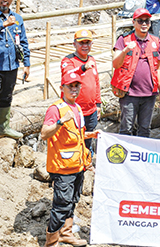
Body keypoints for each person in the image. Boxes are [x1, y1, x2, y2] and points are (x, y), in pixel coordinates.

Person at [41, 72, 100, 247]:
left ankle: (66, 234)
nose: (74, 90)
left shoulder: (78, 108)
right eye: (70, 86)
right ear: (62, 88)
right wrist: (60, 122)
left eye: (77, 86)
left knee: (72, 201)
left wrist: (92, 134)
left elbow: (77, 136)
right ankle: (51, 243)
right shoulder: (56, 109)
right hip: (62, 167)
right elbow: (44, 134)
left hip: (77, 165)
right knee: (61, 205)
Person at [111, 8, 160, 138]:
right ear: (134, 22)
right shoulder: (123, 39)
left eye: (147, 21)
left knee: (145, 129)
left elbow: (158, 69)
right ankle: (124, 157)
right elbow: (115, 64)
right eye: (140, 21)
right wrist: (124, 51)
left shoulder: (156, 41)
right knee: (126, 128)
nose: (144, 24)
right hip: (129, 93)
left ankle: (141, 156)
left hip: (149, 93)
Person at [0, 0, 30, 140]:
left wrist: (26, 64)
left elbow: (23, 41)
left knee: (6, 97)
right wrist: (3, 24)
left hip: (11, 66)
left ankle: (3, 128)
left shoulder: (18, 19)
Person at [60, 30, 101, 150]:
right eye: (81, 43)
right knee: (73, 139)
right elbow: (68, 74)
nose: (85, 46)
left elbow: (96, 82)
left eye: (87, 43)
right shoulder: (68, 61)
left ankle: (87, 161)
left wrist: (98, 104)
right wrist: (82, 68)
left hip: (91, 110)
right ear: (74, 44)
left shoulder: (92, 59)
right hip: (74, 109)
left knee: (88, 139)